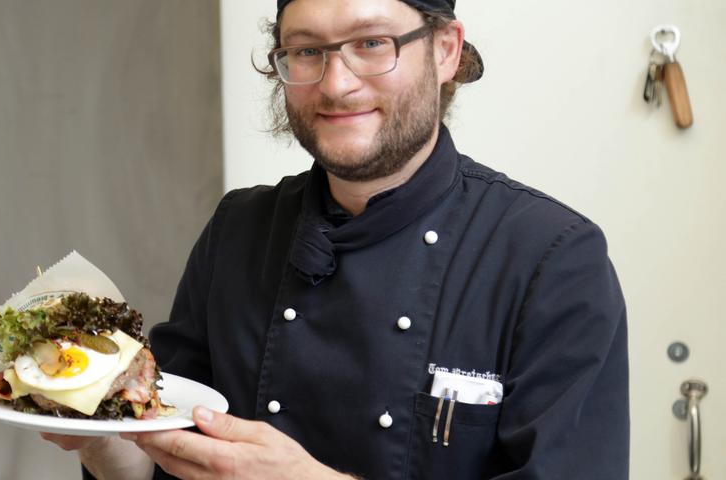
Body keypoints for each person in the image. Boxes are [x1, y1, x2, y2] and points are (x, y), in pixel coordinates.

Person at [43, 0, 630, 478]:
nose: (336, 83)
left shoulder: (551, 258)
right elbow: (160, 457)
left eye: (372, 43)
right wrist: (95, 432)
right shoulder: (239, 229)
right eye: (306, 51)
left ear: (446, 49)